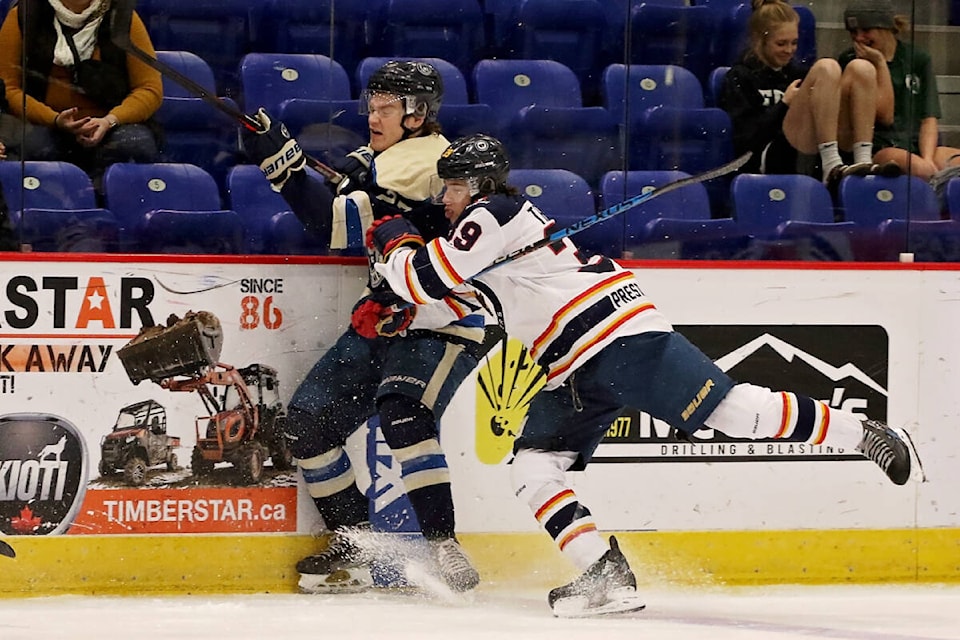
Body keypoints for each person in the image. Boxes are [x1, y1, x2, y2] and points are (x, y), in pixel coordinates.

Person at [368, 133, 923, 617]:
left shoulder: (492, 214)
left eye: (454, 187)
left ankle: (865, 433)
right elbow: (447, 293)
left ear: (481, 185)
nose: (445, 199)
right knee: (534, 467)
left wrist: (394, 241)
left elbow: (426, 277)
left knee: (732, 412)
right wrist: (399, 301)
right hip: (570, 366)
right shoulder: (492, 234)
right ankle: (602, 571)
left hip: (615, 337)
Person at [241, 60, 486, 594]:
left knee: (403, 414)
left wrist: (281, 165)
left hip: (442, 317)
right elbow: (355, 177)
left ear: (417, 114)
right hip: (387, 312)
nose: (373, 116)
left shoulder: (421, 158)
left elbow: (326, 224)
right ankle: (356, 545)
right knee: (306, 425)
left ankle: (443, 541)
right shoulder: (386, 156)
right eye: (370, 105)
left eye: (386, 108)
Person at [719, 0, 899, 196]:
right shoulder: (740, 76)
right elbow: (746, 139)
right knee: (826, 68)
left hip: (813, 152)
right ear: (759, 40)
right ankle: (831, 167)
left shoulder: (798, 73)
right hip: (771, 156)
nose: (789, 50)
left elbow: (885, 119)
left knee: (861, 68)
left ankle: (863, 159)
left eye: (794, 43)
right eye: (781, 43)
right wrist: (784, 104)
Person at [0, 0, 162, 183]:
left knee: (135, 143)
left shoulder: (124, 17)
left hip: (108, 126)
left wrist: (110, 121)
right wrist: (54, 119)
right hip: (42, 124)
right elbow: (8, 89)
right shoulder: (24, 15)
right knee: (30, 144)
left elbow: (149, 89)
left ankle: (103, 205)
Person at [839, 0, 960, 192]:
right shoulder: (851, 62)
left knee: (952, 162)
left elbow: (928, 119)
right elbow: (883, 116)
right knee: (918, 168)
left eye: (866, 30)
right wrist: (878, 62)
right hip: (880, 147)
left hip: (915, 144)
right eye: (854, 32)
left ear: (885, 27)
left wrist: (928, 158)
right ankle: (934, 198)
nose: (859, 38)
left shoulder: (917, 58)